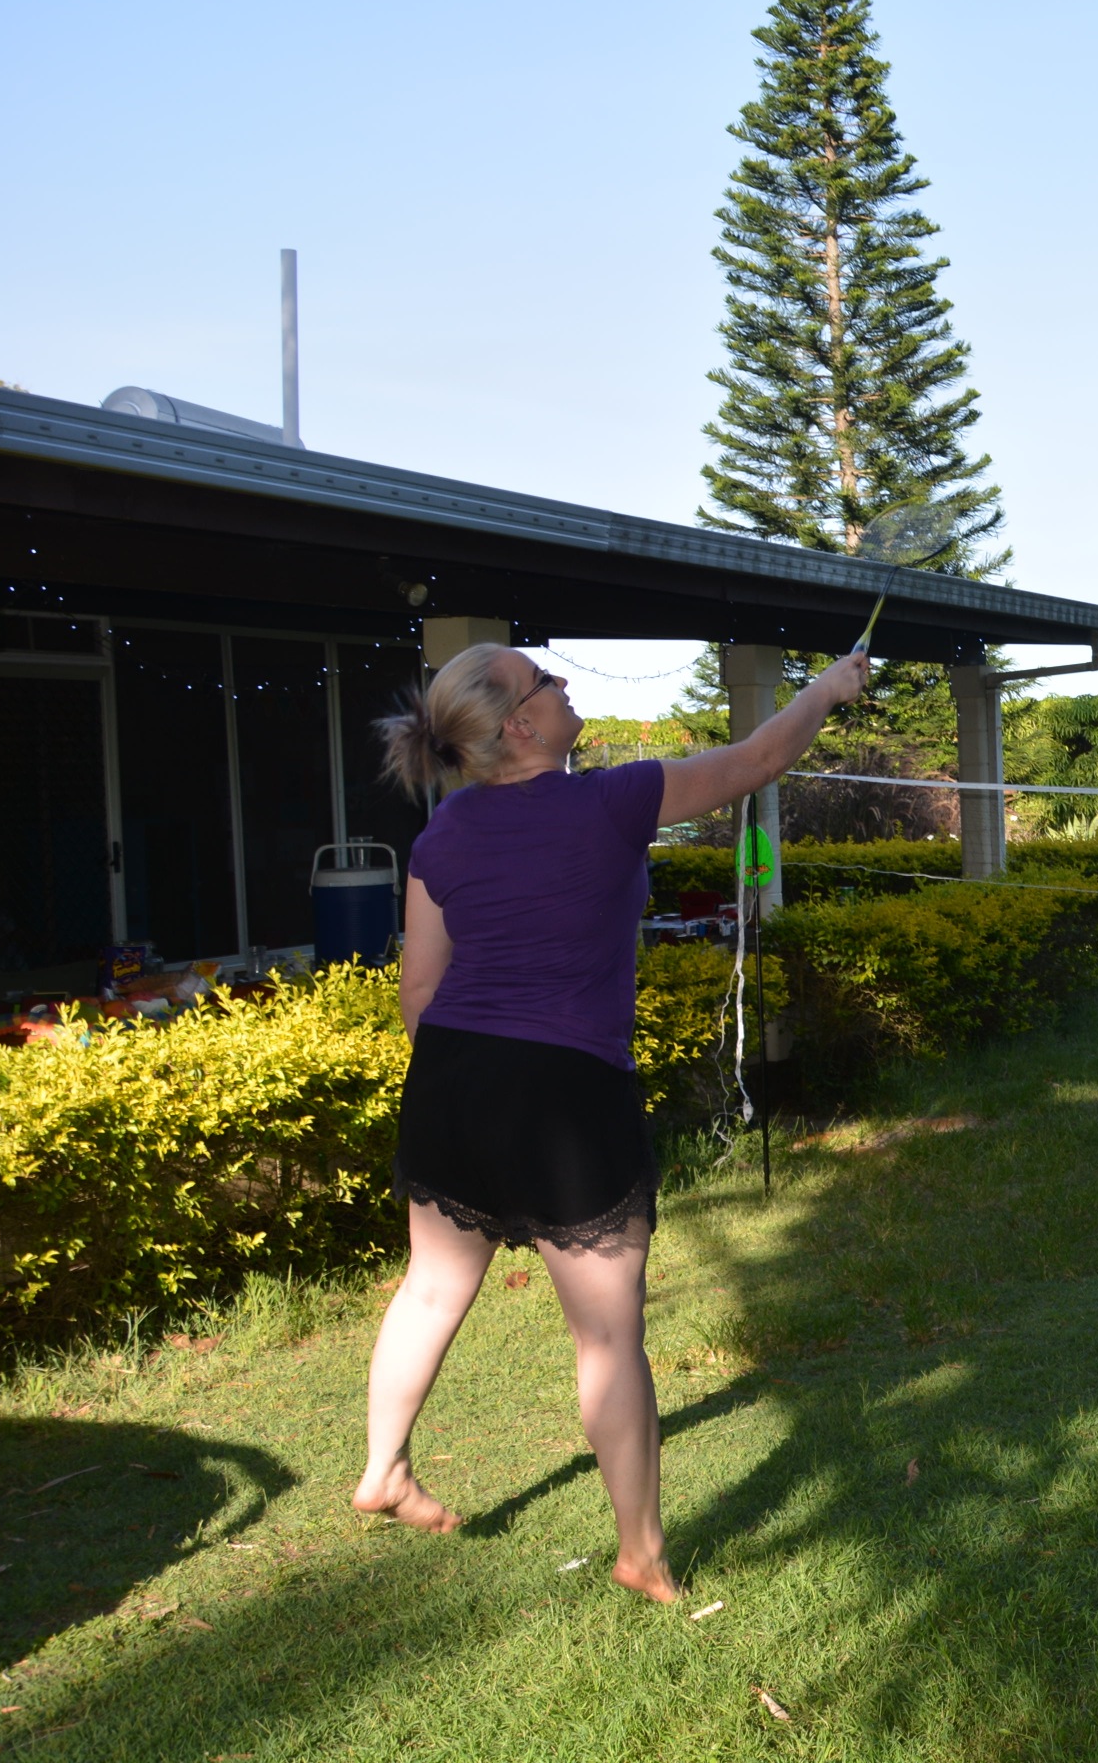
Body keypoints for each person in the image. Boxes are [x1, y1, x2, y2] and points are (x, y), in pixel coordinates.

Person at [350, 640, 868, 1603]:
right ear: (521, 724)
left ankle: (383, 1470)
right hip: (566, 1090)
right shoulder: (613, 800)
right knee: (606, 1336)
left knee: (430, 1290)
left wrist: (475, 1083)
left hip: (452, 1080)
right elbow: (758, 759)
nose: (564, 685)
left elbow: (419, 992)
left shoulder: (444, 834)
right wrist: (830, 688)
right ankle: (641, 1554)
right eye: (546, 680)